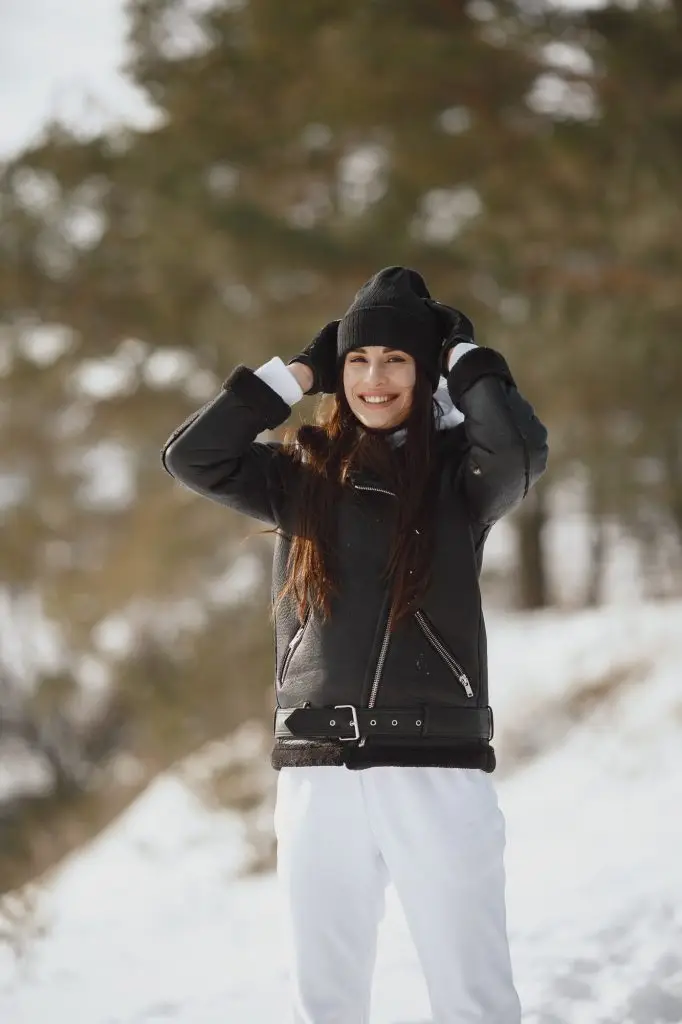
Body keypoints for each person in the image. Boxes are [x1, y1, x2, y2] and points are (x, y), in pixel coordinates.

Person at [161, 266, 548, 1023]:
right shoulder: (297, 474)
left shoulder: (461, 476)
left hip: (435, 771)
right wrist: (297, 371)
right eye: (359, 360)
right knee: (326, 1004)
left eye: (397, 360)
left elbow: (518, 451)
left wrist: (469, 359)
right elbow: (191, 456)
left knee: (474, 997)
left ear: (424, 370)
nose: (375, 379)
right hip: (316, 775)